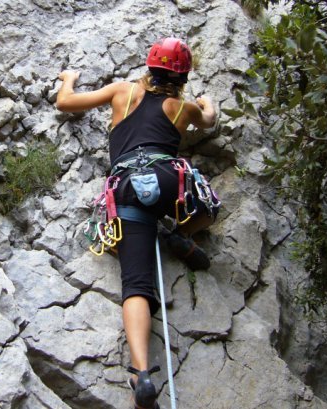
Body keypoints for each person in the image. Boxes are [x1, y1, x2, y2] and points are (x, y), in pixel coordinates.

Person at [56, 37, 218, 409]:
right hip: (166, 181)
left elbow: (66, 103)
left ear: (149, 65)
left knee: (137, 284)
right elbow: (208, 120)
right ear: (182, 76)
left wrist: (69, 77)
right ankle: (179, 233)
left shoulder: (123, 92)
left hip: (126, 186)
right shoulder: (182, 107)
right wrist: (208, 101)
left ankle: (141, 374)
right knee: (208, 208)